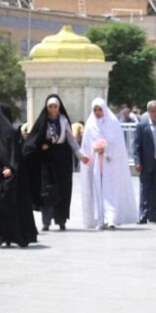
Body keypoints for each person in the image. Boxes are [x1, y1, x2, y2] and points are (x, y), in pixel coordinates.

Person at [22, 94, 90, 232]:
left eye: (55, 107)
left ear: (59, 108)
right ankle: (46, 222)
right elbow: (34, 139)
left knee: (62, 190)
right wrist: (41, 146)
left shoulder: (63, 121)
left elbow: (71, 139)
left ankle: (61, 220)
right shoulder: (43, 121)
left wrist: (81, 155)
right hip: (46, 160)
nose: (53, 109)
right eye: (50, 107)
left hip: (61, 160)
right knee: (47, 191)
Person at [79, 97, 137, 230]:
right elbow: (86, 145)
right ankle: (100, 218)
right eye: (95, 110)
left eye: (100, 109)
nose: (98, 112)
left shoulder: (113, 123)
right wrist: (95, 150)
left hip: (111, 164)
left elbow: (118, 144)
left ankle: (111, 218)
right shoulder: (90, 125)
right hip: (96, 164)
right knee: (98, 191)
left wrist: (106, 148)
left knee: (111, 191)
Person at [0, 101, 37, 247]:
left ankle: (9, 236)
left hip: (11, 177)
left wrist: (11, 167)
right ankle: (0, 236)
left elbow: (14, 154)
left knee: (8, 205)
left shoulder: (10, 133)